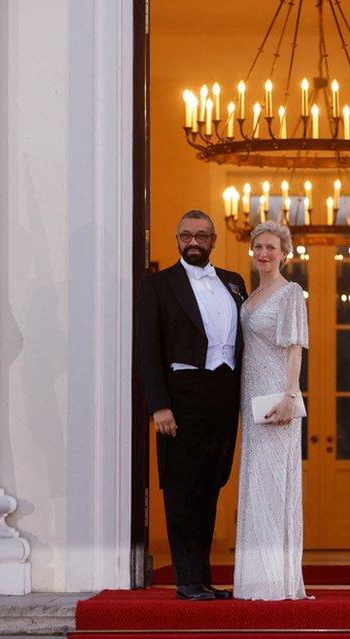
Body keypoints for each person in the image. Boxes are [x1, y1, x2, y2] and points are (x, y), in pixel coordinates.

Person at [136, 209, 247, 601]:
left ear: (214, 239)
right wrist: (158, 406)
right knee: (182, 489)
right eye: (186, 236)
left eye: (201, 235)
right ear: (177, 239)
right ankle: (185, 580)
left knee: (211, 486)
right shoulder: (158, 285)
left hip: (223, 396)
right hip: (180, 399)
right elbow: (147, 350)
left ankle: (201, 578)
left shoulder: (234, 282)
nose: (194, 242)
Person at [233, 221, 310, 601]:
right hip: (251, 399)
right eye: (259, 246)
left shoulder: (290, 292)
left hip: (276, 399)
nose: (264, 253)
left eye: (272, 248)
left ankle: (276, 582)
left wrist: (290, 395)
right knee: (255, 484)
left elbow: (295, 346)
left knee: (275, 485)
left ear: (284, 254)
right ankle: (254, 580)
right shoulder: (251, 296)